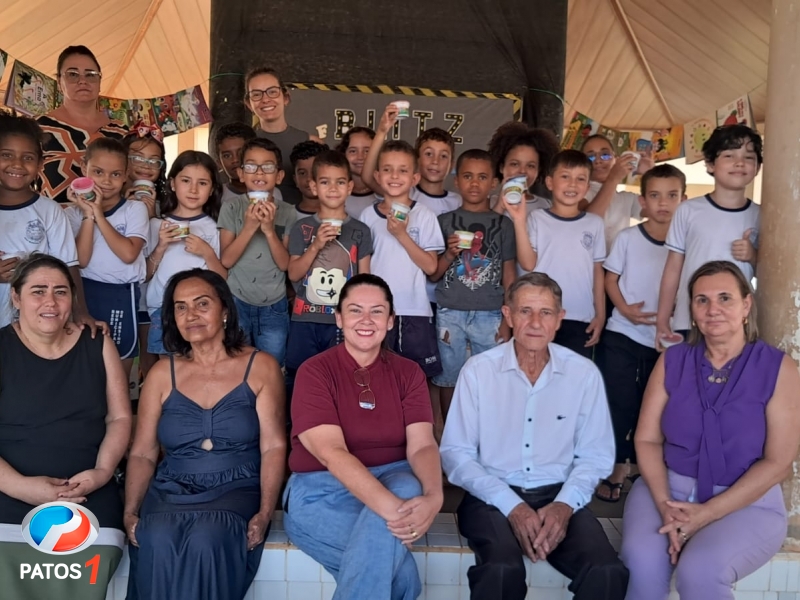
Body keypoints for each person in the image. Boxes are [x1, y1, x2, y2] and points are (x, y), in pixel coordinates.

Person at [440, 272, 628, 600]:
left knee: (607, 572)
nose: (535, 322)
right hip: (492, 497)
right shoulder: (479, 371)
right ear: (508, 315)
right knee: (501, 571)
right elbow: (456, 453)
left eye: (546, 313)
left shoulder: (583, 374)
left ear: (560, 319)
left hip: (560, 494)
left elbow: (595, 454)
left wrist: (565, 505)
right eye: (525, 311)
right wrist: (512, 506)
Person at [621, 261, 800, 599]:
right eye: (701, 300)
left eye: (725, 298)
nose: (713, 309)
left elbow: (778, 461)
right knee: (642, 561)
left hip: (747, 502)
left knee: (700, 571)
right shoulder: (672, 360)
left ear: (746, 305)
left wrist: (704, 516)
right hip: (666, 490)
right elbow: (646, 439)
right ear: (691, 309)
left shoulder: (778, 368)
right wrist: (665, 505)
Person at [124, 269, 286, 600]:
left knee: (209, 536)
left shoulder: (261, 366)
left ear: (225, 310)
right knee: (156, 533)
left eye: (201, 304)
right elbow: (142, 453)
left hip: (237, 485)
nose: (190, 315)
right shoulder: (161, 373)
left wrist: (265, 512)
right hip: (172, 486)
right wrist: (130, 510)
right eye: (180, 307)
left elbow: (273, 446)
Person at [284, 274, 443, 600]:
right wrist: (397, 513)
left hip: (392, 482)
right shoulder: (315, 372)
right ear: (340, 318)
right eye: (356, 311)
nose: (366, 321)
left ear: (390, 320)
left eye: (377, 311)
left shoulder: (408, 372)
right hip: (322, 492)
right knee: (402, 581)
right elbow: (332, 453)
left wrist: (434, 496)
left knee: (408, 483)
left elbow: (423, 444)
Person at [0, 254, 132, 600]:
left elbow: (119, 418)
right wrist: (20, 487)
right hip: (7, 492)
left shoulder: (98, 343)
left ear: (73, 299)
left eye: (60, 292)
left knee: (87, 563)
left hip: (87, 491)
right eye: (38, 291)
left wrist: (102, 472)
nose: (50, 302)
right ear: (16, 297)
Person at [594, 165, 686, 503]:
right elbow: (610, 279)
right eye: (655, 195)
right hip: (622, 333)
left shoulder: (688, 242)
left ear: (684, 200)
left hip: (666, 342)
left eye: (672, 195)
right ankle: (618, 467)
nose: (664, 203)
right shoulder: (629, 237)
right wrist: (626, 309)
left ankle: (645, 468)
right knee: (619, 401)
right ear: (643, 202)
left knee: (655, 408)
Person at [429, 149, 515, 436]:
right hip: (450, 311)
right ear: (456, 181)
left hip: (490, 314)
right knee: (448, 378)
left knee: (490, 379)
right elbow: (434, 273)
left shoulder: (503, 225)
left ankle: (486, 441)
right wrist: (451, 253)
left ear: (495, 183)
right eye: (467, 176)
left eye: (482, 177)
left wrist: (508, 317)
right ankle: (450, 439)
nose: (474, 183)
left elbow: (509, 273)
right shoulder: (443, 222)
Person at [656, 125, 761, 347]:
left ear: (758, 167)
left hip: (737, 322)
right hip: (690, 318)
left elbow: (771, 274)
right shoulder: (688, 210)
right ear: (711, 164)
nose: (739, 163)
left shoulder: (762, 216)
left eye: (749, 157)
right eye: (729, 155)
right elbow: (673, 268)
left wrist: (752, 255)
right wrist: (662, 319)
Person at [286, 150, 373, 394]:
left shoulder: (360, 231)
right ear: (313, 187)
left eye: (340, 182)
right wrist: (315, 244)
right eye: (325, 182)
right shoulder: (302, 228)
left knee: (341, 381)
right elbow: (293, 274)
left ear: (350, 187)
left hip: (342, 321)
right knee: (301, 380)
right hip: (305, 319)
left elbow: (363, 282)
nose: (333, 188)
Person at [357, 138, 445, 378]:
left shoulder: (424, 215)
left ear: (414, 178)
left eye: (403, 170)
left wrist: (401, 234)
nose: (394, 176)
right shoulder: (368, 215)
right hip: (376, 311)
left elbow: (431, 266)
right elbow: (360, 269)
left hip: (414, 310)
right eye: (387, 169)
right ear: (377, 175)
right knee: (374, 375)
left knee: (415, 378)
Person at [508, 150, 606, 359]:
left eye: (580, 179)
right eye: (565, 177)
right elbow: (527, 263)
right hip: (539, 315)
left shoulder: (595, 223)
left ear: (588, 187)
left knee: (571, 383)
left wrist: (600, 314)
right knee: (533, 374)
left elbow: (598, 272)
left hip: (580, 317)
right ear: (550, 182)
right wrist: (518, 220)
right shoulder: (536, 218)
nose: (572, 184)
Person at [64, 138, 149, 378]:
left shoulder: (135, 209)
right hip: (83, 293)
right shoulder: (71, 214)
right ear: (84, 169)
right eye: (98, 172)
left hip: (120, 294)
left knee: (117, 369)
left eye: (115, 174)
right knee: (84, 363)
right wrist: (88, 215)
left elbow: (128, 253)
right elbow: (81, 260)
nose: (105, 181)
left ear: (126, 176)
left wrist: (98, 213)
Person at [218, 138, 297, 367]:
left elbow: (285, 265)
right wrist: (250, 226)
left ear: (279, 176)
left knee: (272, 366)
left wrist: (269, 231)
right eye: (251, 166)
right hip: (237, 300)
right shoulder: (231, 208)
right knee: (236, 363)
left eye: (268, 167)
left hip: (274, 304)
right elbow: (227, 260)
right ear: (241, 174)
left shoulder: (288, 212)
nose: (259, 172)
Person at [0, 113, 82, 328]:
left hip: (35, 325)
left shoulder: (50, 211)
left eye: (27, 158)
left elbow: (69, 267)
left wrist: (80, 312)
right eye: (6, 155)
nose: (17, 164)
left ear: (40, 165)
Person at [145, 151, 226, 356]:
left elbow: (224, 279)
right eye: (186, 180)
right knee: (167, 371)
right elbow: (144, 274)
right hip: (163, 309)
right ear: (172, 184)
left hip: (203, 313)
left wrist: (207, 253)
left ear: (212, 189)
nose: (193, 189)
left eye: (202, 183)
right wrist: (162, 245)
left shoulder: (217, 228)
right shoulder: (156, 225)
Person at [37, 46, 127, 204]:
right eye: (72, 74)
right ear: (59, 82)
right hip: (51, 225)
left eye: (90, 75)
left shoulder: (121, 132)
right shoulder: (37, 127)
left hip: (111, 226)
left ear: (99, 81)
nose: (82, 80)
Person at [122, 125, 168, 378]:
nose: (145, 165)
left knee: (151, 360)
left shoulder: (168, 202)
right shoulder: (110, 200)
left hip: (150, 295)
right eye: (137, 157)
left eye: (153, 160)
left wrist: (150, 215)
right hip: (118, 293)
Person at [244, 67, 322, 205]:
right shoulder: (244, 145)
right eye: (256, 94)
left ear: (285, 97)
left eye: (272, 92)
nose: (265, 99)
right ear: (249, 104)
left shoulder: (312, 142)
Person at [581, 134, 654, 249]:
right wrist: (614, 178)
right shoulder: (579, 191)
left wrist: (650, 174)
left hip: (617, 265)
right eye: (591, 157)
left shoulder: (627, 198)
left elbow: (656, 210)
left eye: (605, 155)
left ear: (616, 159)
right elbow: (589, 221)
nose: (598, 160)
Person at [488, 121, 560, 216]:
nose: (522, 171)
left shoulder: (547, 206)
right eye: (514, 164)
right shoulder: (487, 203)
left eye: (530, 166)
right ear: (501, 167)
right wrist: (499, 206)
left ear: (538, 170)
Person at [336, 126, 379, 218]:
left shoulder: (385, 191)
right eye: (353, 151)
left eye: (367, 151)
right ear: (343, 154)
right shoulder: (335, 192)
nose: (360, 157)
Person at [213, 122, 257, 204]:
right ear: (219, 163)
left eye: (241, 153)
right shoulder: (215, 198)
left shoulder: (272, 193)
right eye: (227, 156)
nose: (235, 160)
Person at [289, 139, 329, 218]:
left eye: (314, 172)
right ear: (295, 179)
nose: (309, 178)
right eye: (302, 173)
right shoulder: (288, 214)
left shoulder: (339, 214)